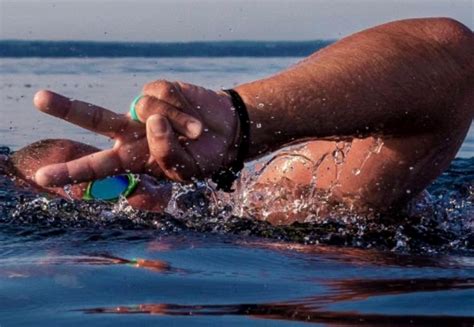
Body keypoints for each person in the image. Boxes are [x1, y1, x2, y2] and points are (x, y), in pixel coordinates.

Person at [14, 18, 474, 224]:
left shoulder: (278, 203)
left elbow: (453, 56)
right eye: (108, 186)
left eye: (133, 170)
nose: (146, 181)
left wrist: (246, 120)